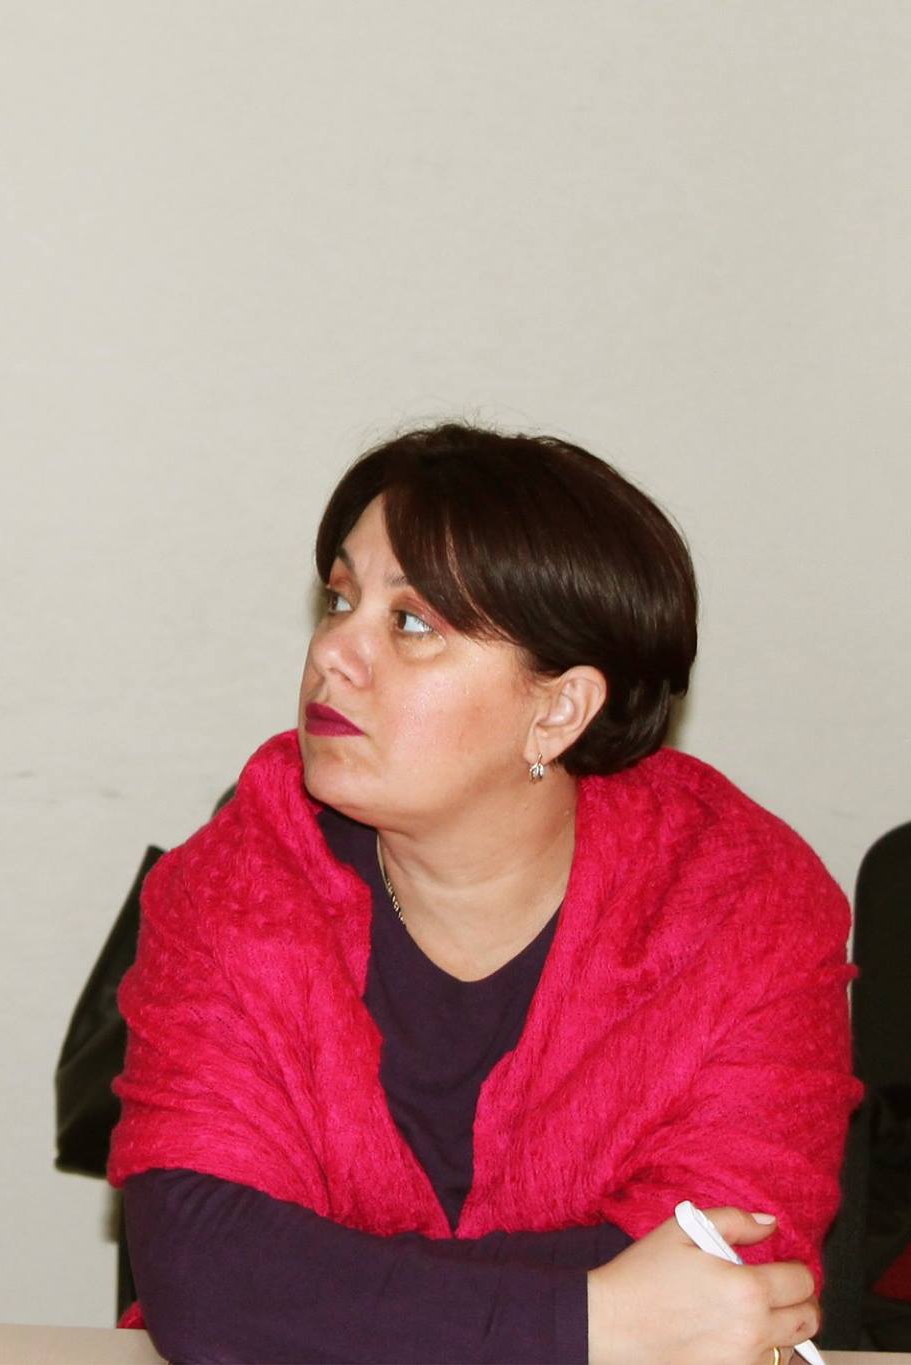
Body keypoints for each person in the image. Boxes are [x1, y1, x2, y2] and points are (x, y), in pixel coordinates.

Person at [110, 424, 861, 1364]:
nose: (334, 650)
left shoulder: (743, 903)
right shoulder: (233, 881)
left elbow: (729, 1268)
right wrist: (590, 1321)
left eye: (411, 622)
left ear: (558, 708)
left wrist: (334, 1295)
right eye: (340, 599)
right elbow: (204, 1276)